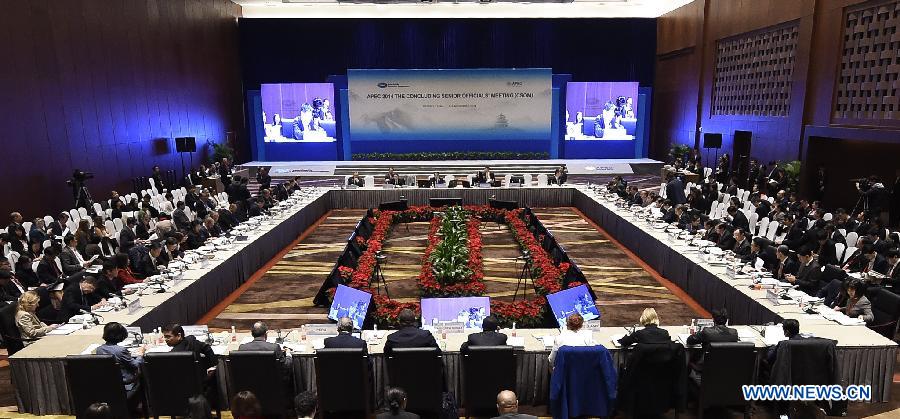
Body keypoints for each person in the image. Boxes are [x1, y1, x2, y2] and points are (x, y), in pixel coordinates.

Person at [96, 322, 145, 397]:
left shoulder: (99, 349)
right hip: (126, 383)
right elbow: (136, 364)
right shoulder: (121, 350)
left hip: (109, 384)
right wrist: (140, 354)